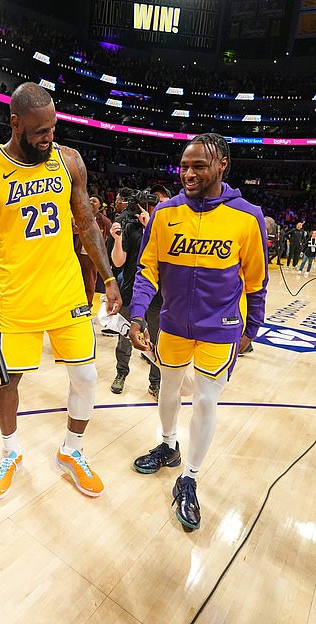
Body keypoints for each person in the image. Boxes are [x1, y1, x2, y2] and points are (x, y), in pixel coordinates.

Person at [0, 82, 121, 500]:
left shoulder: (68, 161)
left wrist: (107, 278)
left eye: (52, 127)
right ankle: (10, 452)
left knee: (86, 375)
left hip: (66, 293)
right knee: (8, 381)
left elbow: (85, 222)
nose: (49, 137)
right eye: (39, 131)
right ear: (15, 123)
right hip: (15, 300)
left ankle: (72, 451)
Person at [128, 133, 268, 530]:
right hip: (172, 322)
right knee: (168, 388)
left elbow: (256, 281)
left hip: (220, 328)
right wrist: (138, 316)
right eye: (184, 165)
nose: (187, 173)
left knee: (205, 400)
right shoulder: (165, 213)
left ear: (222, 164)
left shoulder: (247, 216)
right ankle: (168, 444)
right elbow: (147, 270)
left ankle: (188, 477)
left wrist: (252, 328)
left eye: (198, 166)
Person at [108, 190, 161, 398]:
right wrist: (117, 239)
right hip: (132, 291)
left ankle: (155, 383)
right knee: (125, 338)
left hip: (158, 296)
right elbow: (118, 262)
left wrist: (151, 228)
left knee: (156, 341)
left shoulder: (164, 229)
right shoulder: (130, 228)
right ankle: (121, 373)